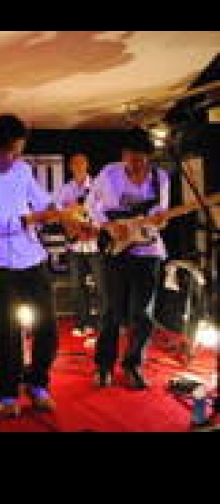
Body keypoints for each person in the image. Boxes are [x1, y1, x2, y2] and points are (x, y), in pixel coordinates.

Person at [0, 115, 60, 417]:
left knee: (48, 327)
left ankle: (38, 384)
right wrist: (33, 218)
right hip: (2, 264)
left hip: (32, 257)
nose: (17, 154)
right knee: (7, 332)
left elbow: (43, 201)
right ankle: (7, 393)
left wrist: (64, 214)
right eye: (13, 149)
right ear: (0, 147)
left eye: (18, 148)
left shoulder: (22, 170)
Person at [85, 130, 170, 389]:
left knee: (142, 314)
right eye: (132, 159)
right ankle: (104, 366)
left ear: (149, 158)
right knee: (111, 311)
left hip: (147, 250)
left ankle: (133, 365)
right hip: (116, 249)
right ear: (123, 156)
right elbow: (91, 205)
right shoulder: (109, 173)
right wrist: (108, 225)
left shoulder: (160, 177)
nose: (136, 165)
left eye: (142, 160)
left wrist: (158, 220)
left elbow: (161, 212)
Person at [55, 153, 105, 338]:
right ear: (70, 167)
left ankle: (101, 326)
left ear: (87, 165)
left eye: (82, 163)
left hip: (95, 243)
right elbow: (58, 213)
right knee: (77, 286)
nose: (78, 167)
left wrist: (92, 227)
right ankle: (82, 323)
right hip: (75, 245)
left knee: (101, 286)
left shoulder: (97, 186)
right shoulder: (65, 189)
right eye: (75, 164)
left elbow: (104, 210)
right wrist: (73, 223)